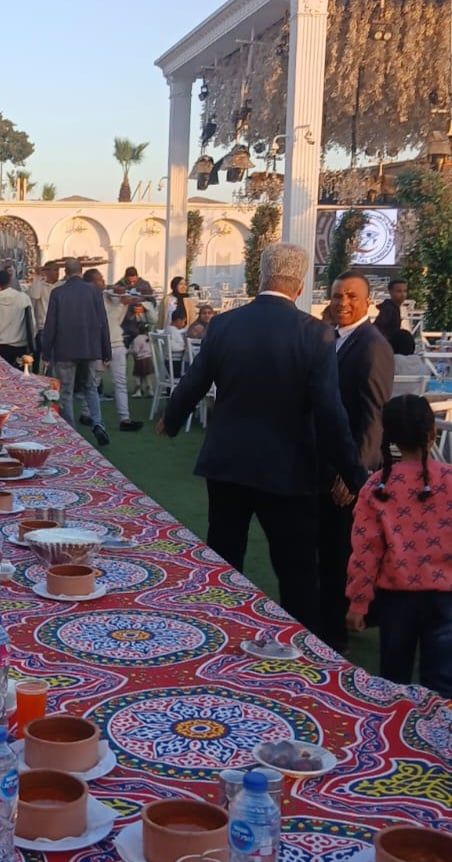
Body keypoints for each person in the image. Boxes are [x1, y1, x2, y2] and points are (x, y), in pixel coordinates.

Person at [158, 242, 365, 634]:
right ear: (300, 286)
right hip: (288, 469)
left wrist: (171, 419)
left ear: (261, 278)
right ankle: (302, 650)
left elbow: (194, 381)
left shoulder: (224, 325)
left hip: (228, 462)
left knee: (224, 560)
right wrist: (354, 474)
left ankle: (217, 634)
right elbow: (329, 411)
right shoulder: (315, 334)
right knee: (296, 571)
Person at [346, 395, 452, 696]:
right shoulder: (449, 480)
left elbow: (365, 552)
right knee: (443, 685)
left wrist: (358, 603)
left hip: (396, 599)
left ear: (388, 435)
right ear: (432, 432)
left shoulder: (376, 488)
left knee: (394, 682)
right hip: (446, 597)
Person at [318, 271, 395, 651]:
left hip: (350, 472)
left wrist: (356, 475)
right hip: (327, 465)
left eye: (351, 296)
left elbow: (374, 417)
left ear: (368, 302)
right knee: (329, 551)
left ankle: (335, 636)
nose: (343, 303)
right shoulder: (334, 337)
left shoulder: (372, 345)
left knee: (341, 555)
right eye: (337, 296)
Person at [42, 257, 111, 446]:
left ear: (65, 273)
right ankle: (98, 423)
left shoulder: (58, 293)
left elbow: (50, 324)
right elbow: (102, 322)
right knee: (91, 387)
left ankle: (71, 432)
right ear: (81, 271)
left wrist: (46, 352)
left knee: (66, 390)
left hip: (65, 348)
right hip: (90, 347)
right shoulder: (94, 292)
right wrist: (106, 351)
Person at [85, 269, 142, 431]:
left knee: (120, 382)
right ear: (91, 283)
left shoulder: (109, 296)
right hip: (99, 346)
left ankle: (125, 418)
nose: (103, 282)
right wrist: (121, 301)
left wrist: (123, 301)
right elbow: (106, 318)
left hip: (116, 344)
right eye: (99, 279)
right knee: (94, 382)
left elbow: (116, 319)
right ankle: (86, 413)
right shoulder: (90, 299)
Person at [0, 268, 33, 367]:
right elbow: (31, 322)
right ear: (10, 280)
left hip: (3, 344)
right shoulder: (23, 298)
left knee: (3, 373)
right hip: (20, 343)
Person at [122, 301, 153, 397]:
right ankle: (150, 390)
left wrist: (128, 351)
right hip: (148, 359)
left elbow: (135, 351)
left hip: (139, 360)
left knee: (138, 376)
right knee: (147, 376)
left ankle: (138, 391)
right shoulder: (148, 338)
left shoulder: (136, 339)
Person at [28, 263, 59, 357]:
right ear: (47, 271)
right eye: (54, 270)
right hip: (44, 326)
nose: (57, 273)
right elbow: (34, 295)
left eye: (57, 270)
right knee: (42, 355)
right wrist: (38, 276)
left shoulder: (61, 285)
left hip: (59, 326)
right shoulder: (41, 284)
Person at [373, 278, 407, 345]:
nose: (403, 294)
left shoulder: (394, 307)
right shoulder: (388, 308)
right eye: (399, 291)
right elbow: (378, 328)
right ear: (391, 292)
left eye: (405, 291)